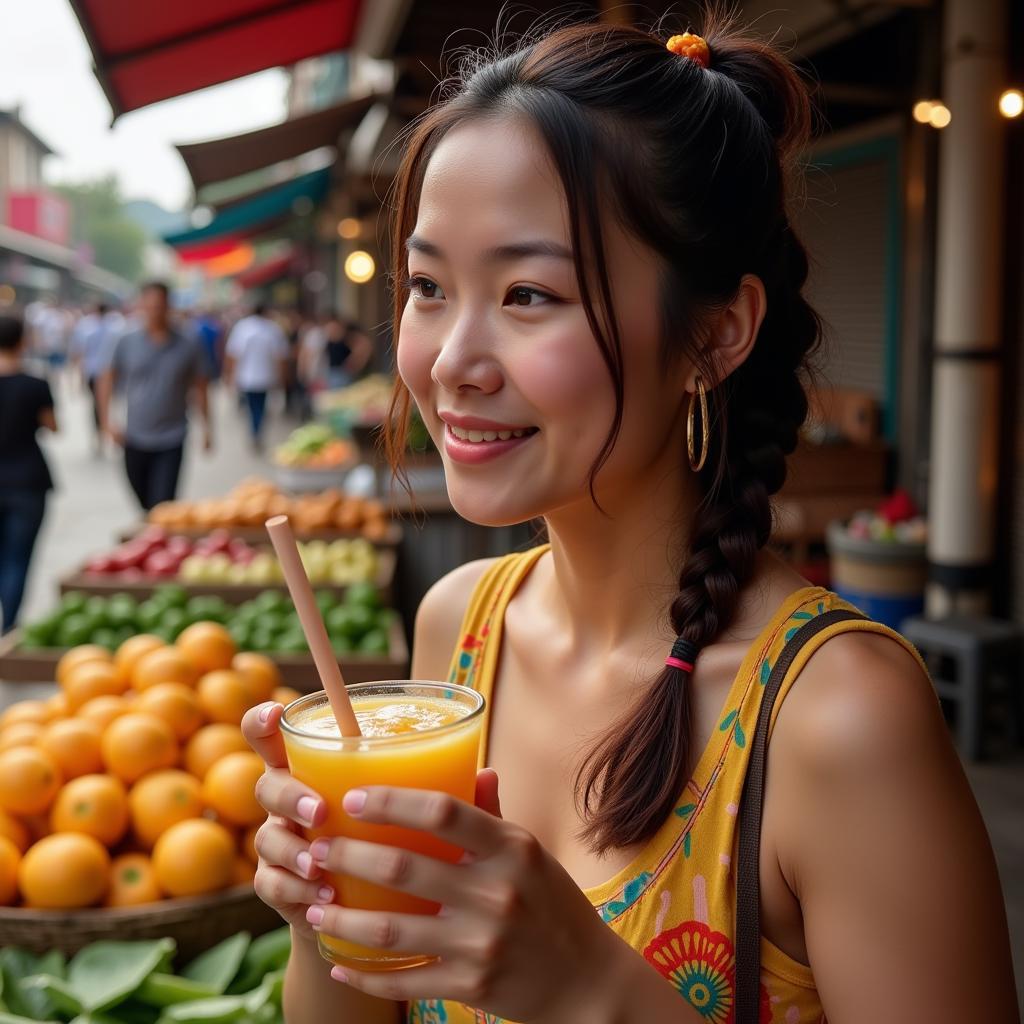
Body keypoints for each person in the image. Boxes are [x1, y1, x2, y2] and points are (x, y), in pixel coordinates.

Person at [242, 17, 1019, 1024]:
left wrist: (589, 988)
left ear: (714, 333)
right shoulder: (455, 631)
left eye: (528, 293)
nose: (449, 360)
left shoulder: (837, 720)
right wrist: (324, 902)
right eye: (428, 287)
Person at [98, 281, 212, 511]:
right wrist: (106, 421)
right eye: (149, 305)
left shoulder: (189, 341)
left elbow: (200, 386)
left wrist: (208, 428)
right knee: (143, 502)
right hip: (134, 436)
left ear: (169, 306)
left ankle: (158, 539)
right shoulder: (126, 340)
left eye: (160, 305)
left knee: (163, 505)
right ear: (141, 305)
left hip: (172, 436)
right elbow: (106, 379)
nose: (155, 311)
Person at [0, 314, 57, 633]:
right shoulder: (35, 384)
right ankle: (9, 626)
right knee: (18, 558)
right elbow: (51, 425)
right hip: (27, 481)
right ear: (22, 342)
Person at [223, 302, 289, 450]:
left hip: (247, 378)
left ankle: (255, 431)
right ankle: (256, 431)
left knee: (254, 407)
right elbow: (281, 356)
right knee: (260, 407)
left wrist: (229, 376)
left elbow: (232, 354)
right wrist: (282, 377)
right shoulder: (272, 329)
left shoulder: (243, 328)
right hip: (265, 377)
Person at [70, 301, 119, 452]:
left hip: (94, 372)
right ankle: (103, 432)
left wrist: (79, 376)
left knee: (96, 405)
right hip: (107, 372)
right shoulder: (116, 329)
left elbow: (79, 353)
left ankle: (100, 433)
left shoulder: (87, 329)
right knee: (103, 404)